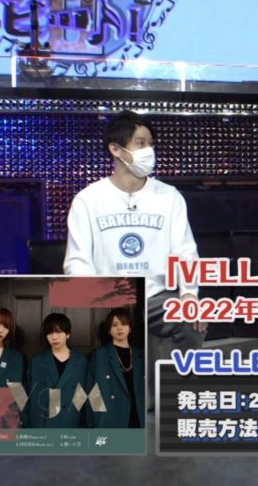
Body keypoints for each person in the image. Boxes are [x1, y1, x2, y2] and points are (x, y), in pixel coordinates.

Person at [63, 110, 205, 408]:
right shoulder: (88, 199)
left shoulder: (170, 197)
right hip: (107, 297)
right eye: (140, 143)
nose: (149, 150)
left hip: (156, 297)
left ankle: (173, 394)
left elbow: (185, 251)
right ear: (116, 149)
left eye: (151, 143)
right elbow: (77, 260)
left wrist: (190, 294)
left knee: (190, 320)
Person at [26, 313, 88, 428]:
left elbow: (86, 394)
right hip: (42, 423)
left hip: (71, 422)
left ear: (68, 334)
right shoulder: (37, 361)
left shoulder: (81, 362)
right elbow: (26, 394)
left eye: (58, 332)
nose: (54, 337)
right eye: (49, 333)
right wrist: (25, 420)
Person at [87, 308, 144, 428]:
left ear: (130, 328)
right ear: (109, 330)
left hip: (139, 415)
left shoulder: (141, 354)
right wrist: (98, 419)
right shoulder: (100, 355)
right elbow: (92, 390)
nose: (119, 328)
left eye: (124, 324)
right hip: (110, 416)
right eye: (114, 325)